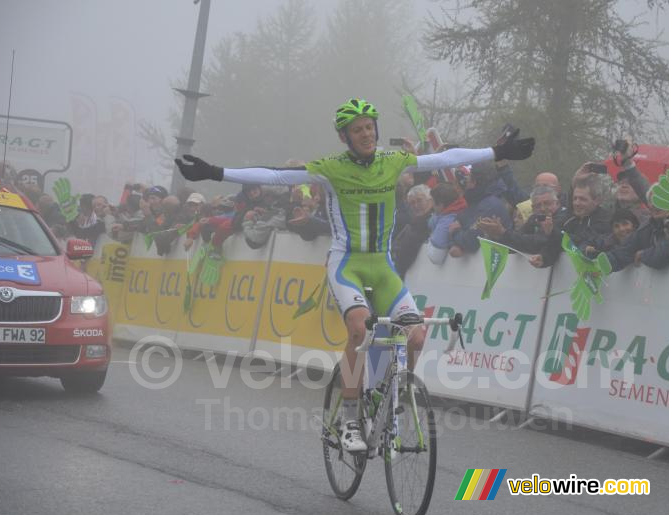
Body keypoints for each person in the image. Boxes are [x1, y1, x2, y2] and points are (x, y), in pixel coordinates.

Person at [176, 98, 535, 451]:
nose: (366, 134)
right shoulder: (331, 168)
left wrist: (496, 151)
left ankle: (393, 393)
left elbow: (444, 158)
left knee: (416, 338)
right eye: (357, 130)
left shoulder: (392, 162)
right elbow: (278, 175)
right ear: (345, 137)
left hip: (383, 265)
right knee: (360, 329)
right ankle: (349, 418)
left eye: (369, 128)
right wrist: (215, 173)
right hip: (345, 262)